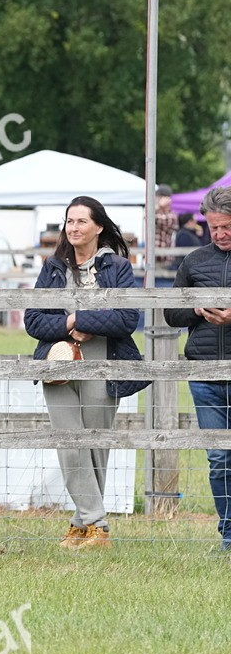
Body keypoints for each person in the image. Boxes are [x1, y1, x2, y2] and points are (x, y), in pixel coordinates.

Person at [25, 197, 147, 550]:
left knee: (93, 445)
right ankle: (98, 525)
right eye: (69, 221)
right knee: (68, 442)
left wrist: (80, 319)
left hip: (103, 358)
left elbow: (126, 319)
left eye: (81, 221)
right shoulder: (52, 268)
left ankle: (83, 526)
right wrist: (68, 324)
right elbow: (34, 320)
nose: (73, 228)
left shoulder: (118, 267)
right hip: (58, 359)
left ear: (98, 227)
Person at [165, 186, 231, 551]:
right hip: (205, 372)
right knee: (218, 457)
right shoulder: (193, 261)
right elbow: (170, 312)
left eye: (226, 227)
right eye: (214, 227)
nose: (220, 234)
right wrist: (196, 309)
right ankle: (228, 535)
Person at [154, 185, 179, 288]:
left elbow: (147, 216)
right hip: (155, 257)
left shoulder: (170, 215)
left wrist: (158, 205)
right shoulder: (161, 213)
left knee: (160, 289)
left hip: (162, 259)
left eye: (157, 197)